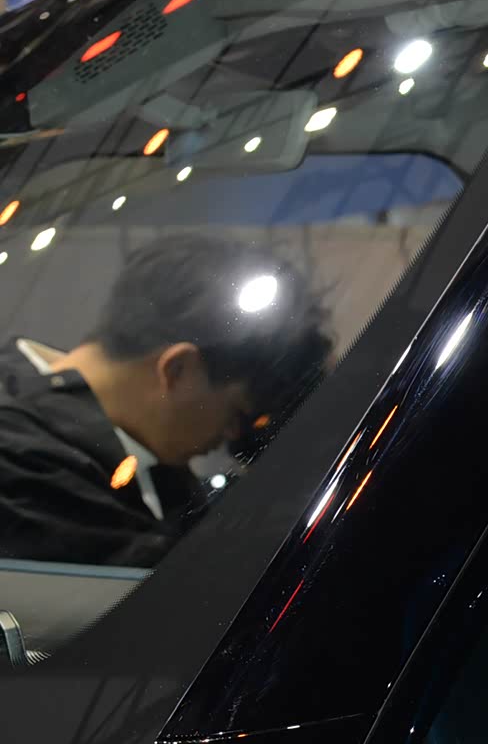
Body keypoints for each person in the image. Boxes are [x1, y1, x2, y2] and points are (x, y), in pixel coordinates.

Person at [0, 234, 330, 567]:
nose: (231, 438)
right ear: (177, 370)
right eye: (235, 415)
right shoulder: (22, 469)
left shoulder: (139, 460)